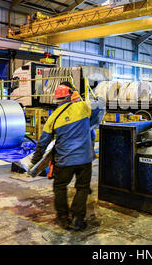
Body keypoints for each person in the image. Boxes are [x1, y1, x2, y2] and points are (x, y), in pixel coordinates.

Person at [29, 81, 100, 231]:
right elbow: (100, 105)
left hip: (64, 160)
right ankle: (78, 219)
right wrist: (80, 101)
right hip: (85, 159)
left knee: (60, 187)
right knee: (82, 188)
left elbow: (42, 143)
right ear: (71, 94)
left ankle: (63, 217)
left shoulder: (53, 118)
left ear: (57, 99)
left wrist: (35, 162)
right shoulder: (83, 108)